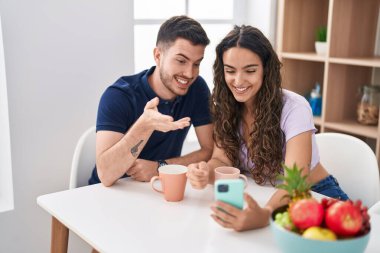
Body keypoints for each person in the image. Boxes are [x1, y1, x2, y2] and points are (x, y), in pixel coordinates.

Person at [186, 25, 349, 232]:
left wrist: (265, 214)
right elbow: (221, 160)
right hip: (264, 194)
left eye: (250, 70)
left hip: (316, 195)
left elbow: (295, 181)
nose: (238, 81)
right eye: (230, 71)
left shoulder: (294, 108)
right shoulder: (225, 106)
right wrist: (204, 172)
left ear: (266, 69)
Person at [89, 15, 214, 187]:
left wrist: (161, 167)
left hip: (157, 189)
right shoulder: (119, 95)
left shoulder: (197, 88)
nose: (190, 73)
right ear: (158, 55)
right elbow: (106, 175)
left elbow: (209, 150)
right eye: (181, 61)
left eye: (196, 64)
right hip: (107, 193)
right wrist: (144, 125)